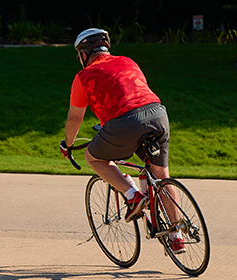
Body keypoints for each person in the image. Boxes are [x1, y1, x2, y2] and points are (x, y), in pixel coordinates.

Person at [57, 28, 188, 254]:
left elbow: (75, 117)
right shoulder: (128, 61)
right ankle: (177, 235)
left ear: (84, 54)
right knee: (161, 174)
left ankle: (132, 194)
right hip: (158, 115)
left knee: (93, 157)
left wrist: (68, 145)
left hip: (124, 122)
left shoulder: (84, 76)